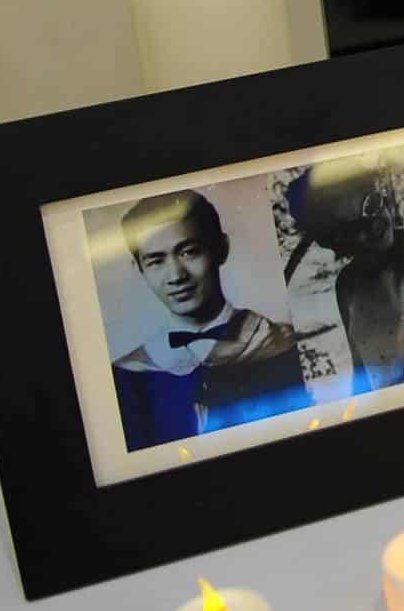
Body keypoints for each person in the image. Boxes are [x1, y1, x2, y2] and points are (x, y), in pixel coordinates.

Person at [110, 190, 307, 450]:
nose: (176, 276)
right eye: (156, 261)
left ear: (221, 249)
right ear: (139, 270)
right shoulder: (128, 375)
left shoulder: (284, 344)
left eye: (189, 252)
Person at [285, 156, 404, 393]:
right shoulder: (347, 284)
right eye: (354, 226)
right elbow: (360, 371)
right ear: (334, 241)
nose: (373, 223)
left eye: (371, 205)